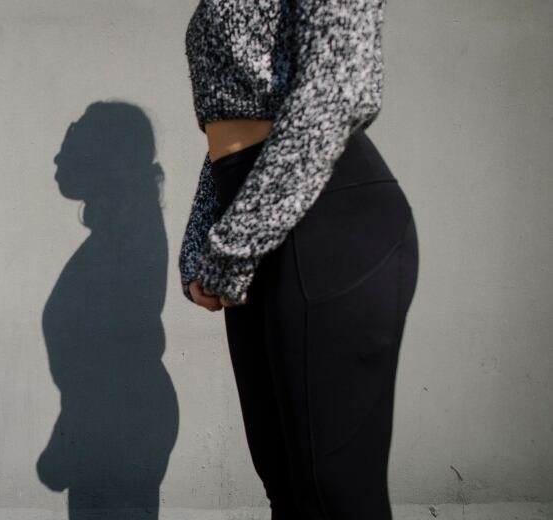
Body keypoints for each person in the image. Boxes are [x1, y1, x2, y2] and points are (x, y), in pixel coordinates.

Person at [178, 0, 419, 518]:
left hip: (328, 217)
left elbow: (336, 90)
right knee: (285, 485)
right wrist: (206, 235)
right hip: (257, 219)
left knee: (333, 493)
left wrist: (234, 243)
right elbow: (234, 121)